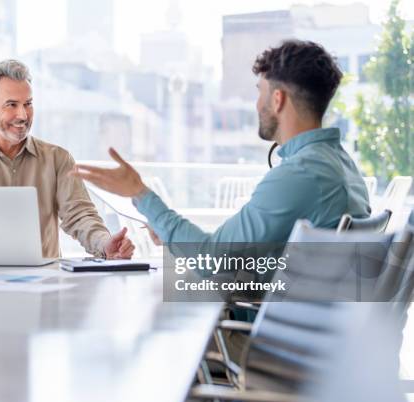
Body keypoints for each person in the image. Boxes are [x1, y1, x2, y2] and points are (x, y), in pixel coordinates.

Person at [70, 40, 371, 248]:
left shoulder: (299, 176)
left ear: (277, 99)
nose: (257, 104)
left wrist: (139, 191)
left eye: (260, 92)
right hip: (313, 327)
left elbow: (213, 259)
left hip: (258, 330)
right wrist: (175, 236)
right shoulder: (343, 168)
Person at [0, 59, 134, 259]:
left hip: (45, 283)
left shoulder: (58, 159)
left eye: (28, 104)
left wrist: (104, 243)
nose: (23, 115)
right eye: (11, 105)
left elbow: (79, 215)